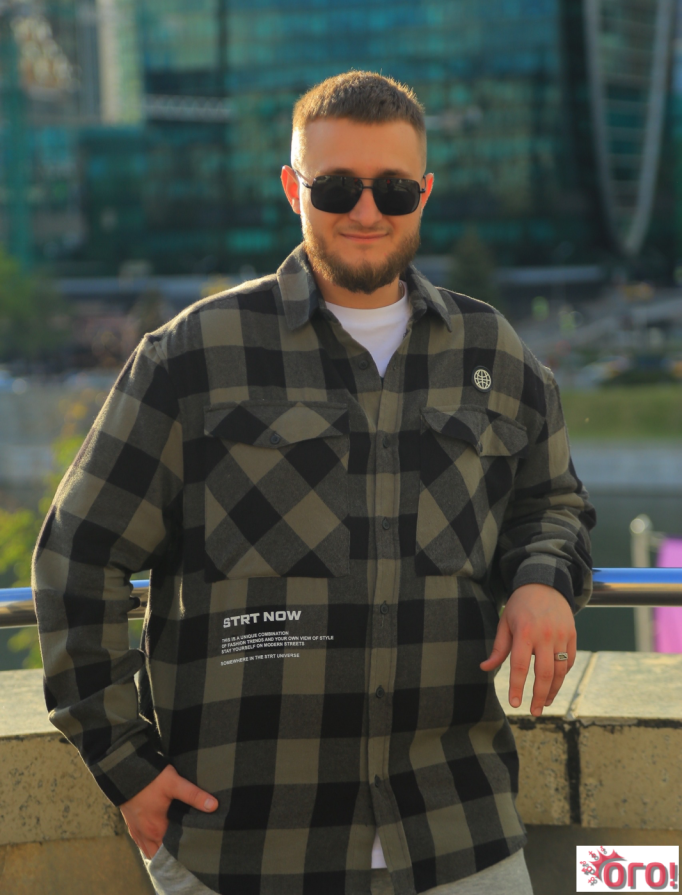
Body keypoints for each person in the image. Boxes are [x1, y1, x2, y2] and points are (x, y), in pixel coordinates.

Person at [33, 71, 594, 895]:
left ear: (424, 194)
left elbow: (553, 502)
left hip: (459, 830)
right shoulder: (194, 355)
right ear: (293, 188)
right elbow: (78, 556)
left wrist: (544, 579)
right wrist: (124, 764)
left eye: (393, 189)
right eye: (336, 188)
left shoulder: (491, 350)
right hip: (245, 849)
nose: (366, 211)